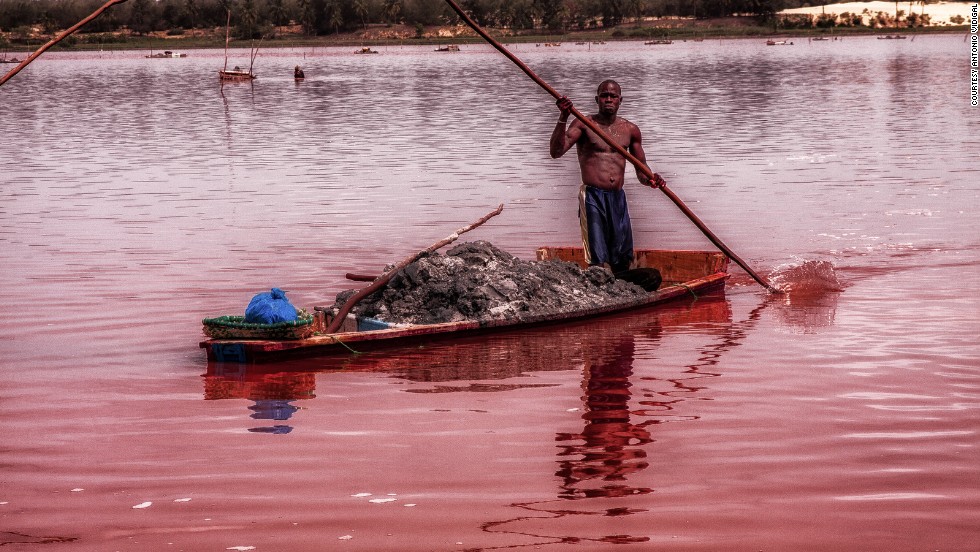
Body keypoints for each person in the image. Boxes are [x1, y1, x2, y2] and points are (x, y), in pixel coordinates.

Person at [550, 80, 665, 275]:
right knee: (598, 256)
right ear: (597, 99)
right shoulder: (584, 124)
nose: (609, 99)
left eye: (613, 96)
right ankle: (598, 282)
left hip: (617, 198)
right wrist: (563, 117)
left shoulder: (630, 130)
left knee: (622, 255)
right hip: (593, 197)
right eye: (604, 95)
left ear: (620, 100)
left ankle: (622, 289)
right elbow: (556, 151)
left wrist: (652, 180)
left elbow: (641, 170)